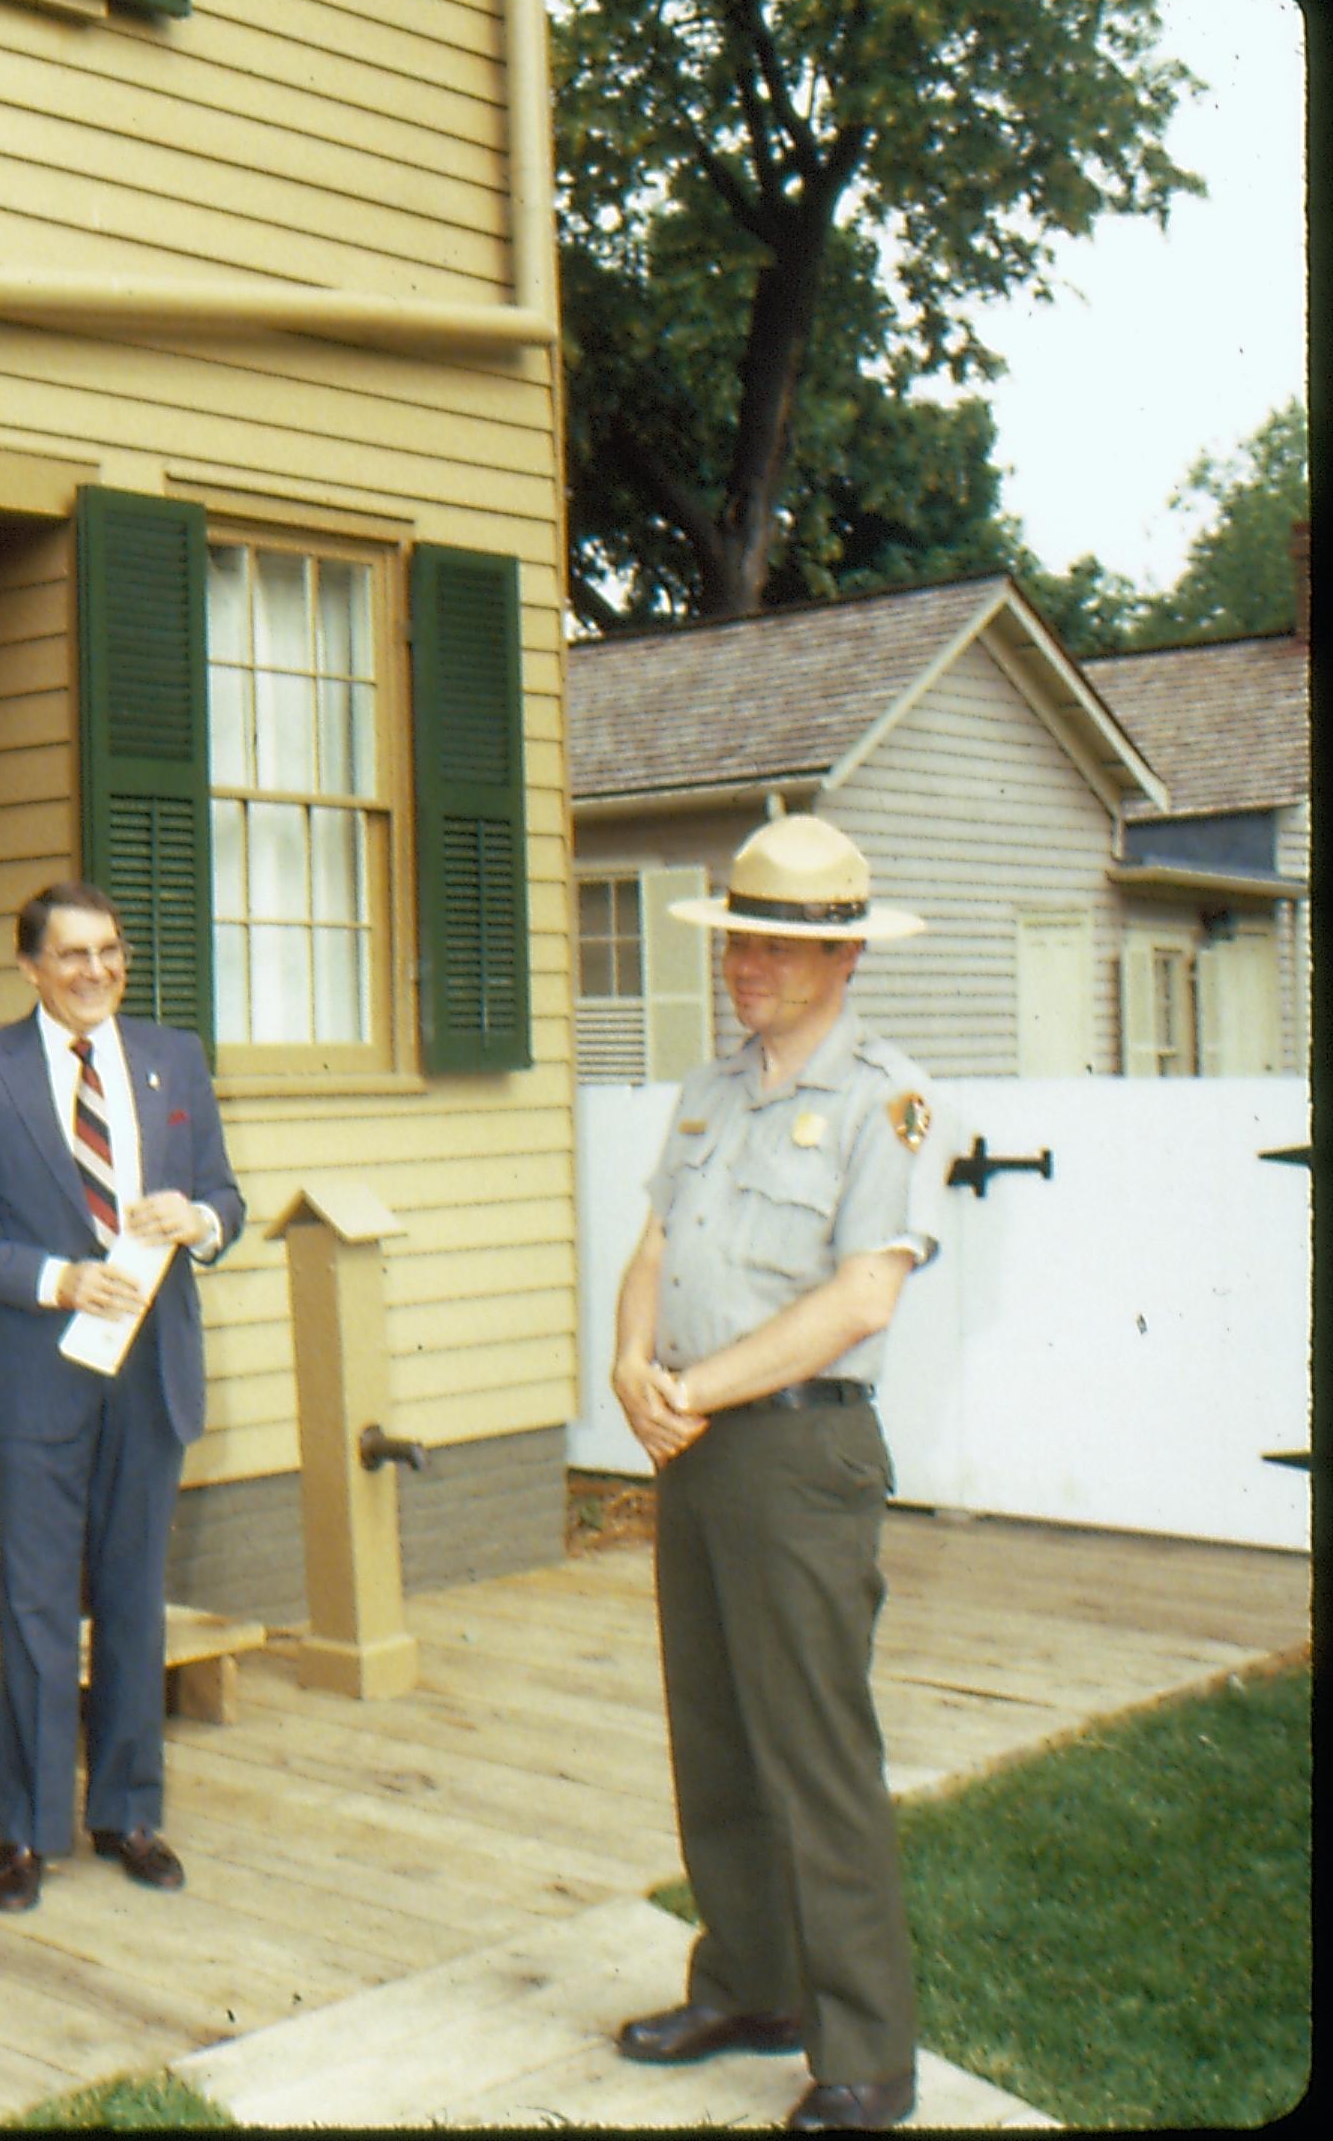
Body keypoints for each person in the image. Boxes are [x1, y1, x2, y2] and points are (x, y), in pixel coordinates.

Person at [605, 816, 944, 2135]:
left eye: (779, 944)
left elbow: (862, 1298)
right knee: (717, 1739)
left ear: (844, 954)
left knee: (814, 1755)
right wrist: (633, 1366)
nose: (746, 962)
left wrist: (694, 1388)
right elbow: (651, 1246)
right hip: (695, 1449)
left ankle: (866, 2055)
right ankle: (750, 1985)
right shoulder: (707, 1090)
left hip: (798, 1452)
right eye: (738, 935)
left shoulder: (884, 1101)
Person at [0, 880, 244, 1914]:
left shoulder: (172, 1057)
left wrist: (200, 1219)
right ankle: (28, 1831)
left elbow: (227, 1196)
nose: (95, 970)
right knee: (41, 1605)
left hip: (151, 1371)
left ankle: (129, 1815)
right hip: (39, 1370)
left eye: (110, 950)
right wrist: (55, 1278)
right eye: (71, 955)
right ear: (29, 967)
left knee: (137, 1600)